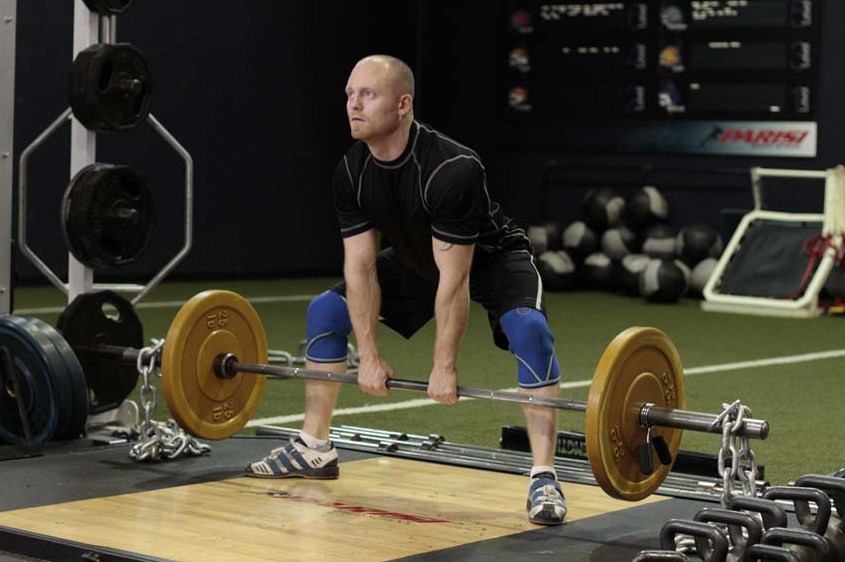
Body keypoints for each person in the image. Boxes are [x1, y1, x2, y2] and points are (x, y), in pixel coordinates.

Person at [245, 54, 568, 526]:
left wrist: (444, 365)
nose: (353, 105)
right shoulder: (352, 172)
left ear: (403, 104)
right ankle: (314, 446)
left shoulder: (452, 169)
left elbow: (456, 282)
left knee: (529, 330)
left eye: (367, 95)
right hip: (418, 262)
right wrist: (369, 355)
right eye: (349, 95)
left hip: (493, 259)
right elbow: (360, 269)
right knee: (325, 312)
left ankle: (544, 475)